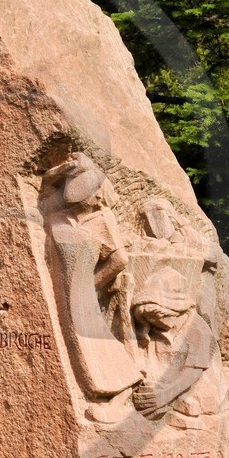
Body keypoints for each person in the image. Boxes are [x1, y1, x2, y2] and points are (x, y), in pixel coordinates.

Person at [44, 155, 141, 404]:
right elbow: (46, 181)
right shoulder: (56, 217)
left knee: (89, 341)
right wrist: (67, 167)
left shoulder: (102, 219)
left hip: (84, 292)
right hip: (58, 290)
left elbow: (119, 260)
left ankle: (114, 386)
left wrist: (93, 284)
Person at [132, 265, 229, 422]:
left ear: (175, 309)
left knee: (192, 405)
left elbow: (193, 373)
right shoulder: (156, 330)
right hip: (165, 385)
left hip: (195, 386)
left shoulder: (198, 330)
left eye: (157, 317)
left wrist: (164, 396)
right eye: (149, 320)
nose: (154, 323)